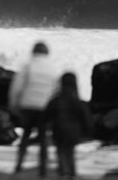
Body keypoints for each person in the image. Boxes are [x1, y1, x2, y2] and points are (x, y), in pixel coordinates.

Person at [8, 41, 57, 177]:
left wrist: (13, 104)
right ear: (47, 53)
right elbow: (56, 90)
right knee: (43, 138)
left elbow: (16, 87)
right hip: (44, 107)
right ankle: (43, 169)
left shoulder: (28, 66)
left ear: (34, 52)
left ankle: (19, 164)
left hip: (27, 106)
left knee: (25, 135)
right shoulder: (53, 68)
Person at [44, 72, 93, 180]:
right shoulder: (78, 101)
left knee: (61, 153)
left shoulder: (55, 101)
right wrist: (87, 131)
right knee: (70, 153)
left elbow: (46, 115)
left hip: (59, 131)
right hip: (74, 132)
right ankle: (71, 174)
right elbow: (86, 118)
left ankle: (64, 174)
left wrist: (43, 128)